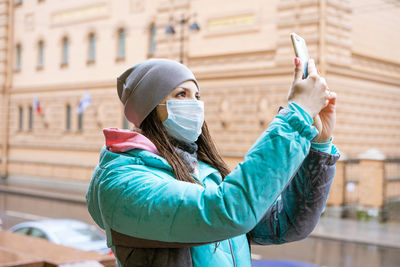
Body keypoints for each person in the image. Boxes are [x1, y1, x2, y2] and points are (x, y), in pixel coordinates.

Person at [86, 57, 339, 267]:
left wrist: (319, 144)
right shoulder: (123, 182)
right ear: (150, 109)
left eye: (197, 95)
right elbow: (227, 210)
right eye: (181, 94)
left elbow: (288, 224)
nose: (195, 104)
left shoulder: (203, 172)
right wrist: (296, 115)